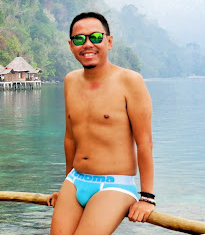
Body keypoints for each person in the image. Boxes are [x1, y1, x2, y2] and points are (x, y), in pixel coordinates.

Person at [47, 12, 156, 235]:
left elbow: (144, 143)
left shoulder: (130, 81)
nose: (88, 44)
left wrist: (147, 198)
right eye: (79, 39)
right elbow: (70, 137)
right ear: (70, 45)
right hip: (75, 180)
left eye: (96, 37)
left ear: (109, 41)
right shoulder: (70, 81)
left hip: (114, 184)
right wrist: (65, 185)